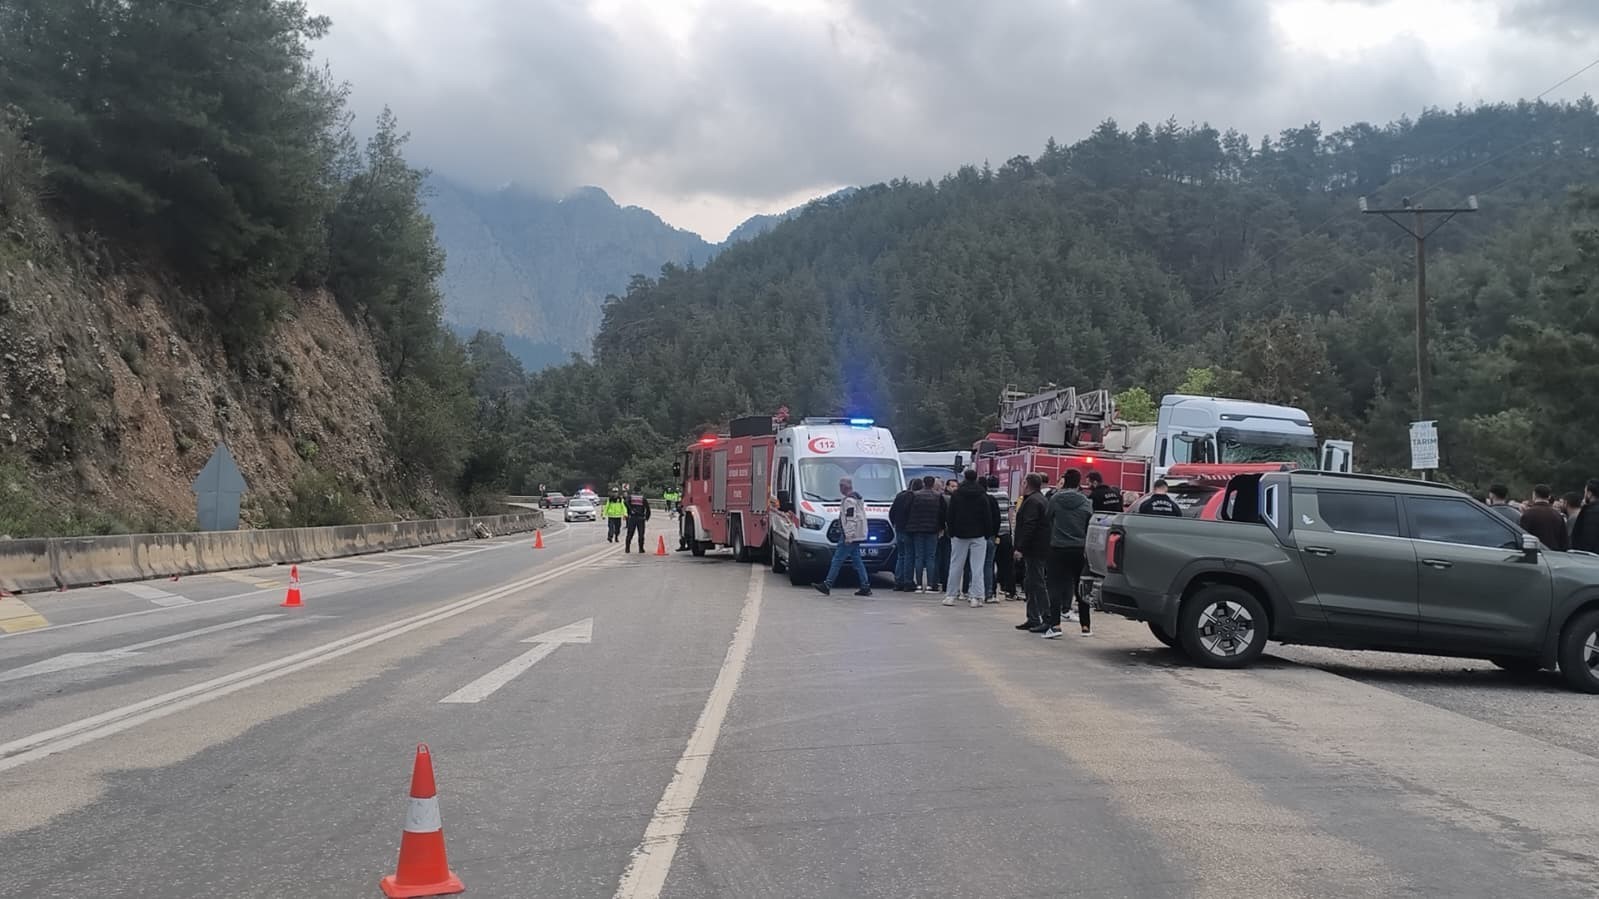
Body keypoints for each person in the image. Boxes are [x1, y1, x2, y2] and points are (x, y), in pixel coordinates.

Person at [1044, 469, 1093, 638]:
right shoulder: (1086, 501)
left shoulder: (1056, 499)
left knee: (1055, 586)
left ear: (1064, 481)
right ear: (1080, 482)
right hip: (1079, 548)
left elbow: (1047, 518)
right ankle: (1085, 626)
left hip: (1058, 547)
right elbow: (1089, 522)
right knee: (1081, 587)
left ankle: (1055, 625)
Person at [814, 477, 872, 597]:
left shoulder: (849, 501)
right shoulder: (858, 499)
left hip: (850, 536)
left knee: (837, 560)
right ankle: (865, 586)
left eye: (840, 486)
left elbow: (850, 519)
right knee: (857, 561)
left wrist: (849, 536)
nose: (839, 488)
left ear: (844, 487)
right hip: (857, 535)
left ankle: (827, 584)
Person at [943, 469, 993, 608]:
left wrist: (951, 532)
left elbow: (950, 514)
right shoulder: (982, 495)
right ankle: (976, 597)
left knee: (955, 565)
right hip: (978, 535)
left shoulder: (957, 494)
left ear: (964, 477)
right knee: (977, 567)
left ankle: (950, 596)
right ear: (976, 478)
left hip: (959, 534)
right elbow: (987, 516)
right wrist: (987, 533)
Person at [1012, 473, 1051, 632]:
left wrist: (1020, 548)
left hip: (1035, 549)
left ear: (1026, 484)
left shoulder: (1033, 502)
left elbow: (1029, 526)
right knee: (1030, 582)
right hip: (1037, 548)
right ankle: (1033, 617)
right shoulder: (1040, 499)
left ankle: (1047, 618)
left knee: (1037, 583)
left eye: (1022, 483)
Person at [905, 477, 945, 592]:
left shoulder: (915, 495)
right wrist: (941, 527)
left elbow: (909, 511)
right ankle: (930, 585)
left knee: (919, 556)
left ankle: (918, 584)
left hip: (917, 529)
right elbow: (942, 514)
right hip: (932, 530)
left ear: (924, 483)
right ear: (932, 484)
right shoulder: (938, 496)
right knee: (931, 557)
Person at [985, 475, 1014, 601]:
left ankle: (991, 590)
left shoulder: (986, 496)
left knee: (990, 563)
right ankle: (1009, 590)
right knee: (1007, 564)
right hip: (1005, 532)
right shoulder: (1004, 495)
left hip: (993, 533)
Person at [889, 478, 919, 592]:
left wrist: (894, 524)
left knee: (901, 555)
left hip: (899, 528)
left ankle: (898, 581)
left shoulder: (900, 496)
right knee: (909, 556)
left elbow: (892, 512)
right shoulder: (915, 498)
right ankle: (908, 582)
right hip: (909, 530)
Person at [1520, 484, 1570, 552]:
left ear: (1534, 495)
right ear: (1549, 497)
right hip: (1554, 555)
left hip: (1534, 554)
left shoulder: (1528, 514)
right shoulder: (1557, 515)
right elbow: (1564, 541)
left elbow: (1522, 537)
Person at [1572, 479, 1599, 553]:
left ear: (1589, 494)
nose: (1584, 494)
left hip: (1590, 558)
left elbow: (1589, 538)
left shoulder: (1591, 511)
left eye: (1585, 492)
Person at [623, 488, 651, 553]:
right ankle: (641, 549)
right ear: (640, 491)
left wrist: (630, 509)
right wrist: (647, 517)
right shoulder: (642, 498)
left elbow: (625, 502)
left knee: (630, 533)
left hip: (632, 517)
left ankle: (627, 548)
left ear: (633, 491)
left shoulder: (630, 497)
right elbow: (648, 508)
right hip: (641, 518)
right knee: (641, 534)